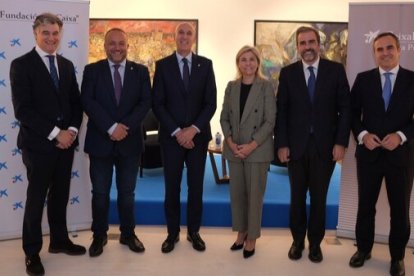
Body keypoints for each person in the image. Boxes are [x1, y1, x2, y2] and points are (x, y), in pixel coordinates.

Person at [9, 13, 85, 276]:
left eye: (55, 33)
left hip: (66, 144)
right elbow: (23, 110)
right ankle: (31, 252)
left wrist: (72, 130)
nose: (51, 38)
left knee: (60, 195)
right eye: (46, 33)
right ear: (35, 34)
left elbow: (76, 103)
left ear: (60, 34)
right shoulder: (21, 65)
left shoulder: (65, 65)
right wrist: (56, 133)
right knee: (36, 199)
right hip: (38, 145)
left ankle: (59, 241)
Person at [274, 26, 351, 263]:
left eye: (311, 42)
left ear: (319, 45)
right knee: (297, 197)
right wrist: (282, 144)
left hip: (324, 147)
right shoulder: (287, 73)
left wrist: (340, 143)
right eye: (302, 43)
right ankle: (297, 241)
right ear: (297, 47)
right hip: (295, 147)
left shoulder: (335, 71)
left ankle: (315, 243)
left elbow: (345, 110)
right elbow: (282, 112)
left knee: (319, 197)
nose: (307, 47)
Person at [81, 28, 151, 257]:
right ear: (104, 45)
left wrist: (124, 128)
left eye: (121, 43)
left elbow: (144, 103)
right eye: (112, 43)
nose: (117, 47)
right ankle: (99, 235)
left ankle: (128, 234)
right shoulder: (92, 70)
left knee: (127, 193)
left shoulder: (140, 71)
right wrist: (111, 127)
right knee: (100, 193)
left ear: (128, 46)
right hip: (101, 141)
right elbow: (87, 101)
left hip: (129, 143)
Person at [348, 32, 414, 276]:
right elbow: (352, 114)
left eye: (389, 48)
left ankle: (397, 257)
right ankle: (363, 249)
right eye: (379, 49)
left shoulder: (411, 79)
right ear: (374, 53)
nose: (384, 53)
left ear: (399, 50)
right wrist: (363, 135)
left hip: (402, 158)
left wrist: (402, 136)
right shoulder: (363, 79)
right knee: (365, 206)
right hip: (369, 156)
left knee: (400, 210)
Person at [152, 22, 217, 253]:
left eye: (189, 33)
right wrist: (178, 132)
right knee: (172, 187)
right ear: (174, 36)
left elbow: (211, 103)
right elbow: (158, 103)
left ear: (194, 37)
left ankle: (193, 232)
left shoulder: (205, 65)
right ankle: (172, 234)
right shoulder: (163, 65)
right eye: (181, 32)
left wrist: (193, 130)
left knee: (196, 187)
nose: (185, 36)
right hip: (172, 139)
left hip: (198, 138)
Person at [220, 45, 276, 258]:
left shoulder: (265, 87)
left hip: (257, 150)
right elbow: (224, 117)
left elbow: (270, 120)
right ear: (238, 63)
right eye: (243, 59)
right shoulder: (231, 86)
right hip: (235, 149)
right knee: (238, 195)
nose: (248, 63)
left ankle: (252, 237)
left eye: (252, 59)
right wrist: (231, 141)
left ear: (258, 63)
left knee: (254, 196)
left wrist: (252, 145)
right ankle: (241, 233)